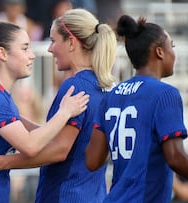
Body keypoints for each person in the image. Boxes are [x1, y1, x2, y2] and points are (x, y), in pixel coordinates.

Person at [0, 8, 117, 202]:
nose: (49, 49)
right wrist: (11, 120)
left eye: (53, 41)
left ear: (71, 43)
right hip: (94, 194)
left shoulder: (75, 85)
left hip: (65, 194)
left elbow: (59, 149)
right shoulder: (104, 86)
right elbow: (63, 138)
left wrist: (1, 162)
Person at [85, 15, 188, 202]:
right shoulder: (165, 94)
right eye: (171, 46)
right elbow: (175, 157)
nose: (174, 52)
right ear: (159, 52)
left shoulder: (111, 96)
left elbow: (92, 161)